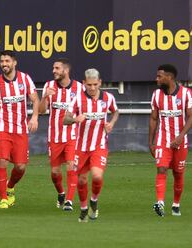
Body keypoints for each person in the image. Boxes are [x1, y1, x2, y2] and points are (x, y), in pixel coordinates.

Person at [64, 68, 119, 222]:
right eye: (89, 85)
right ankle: (83, 208)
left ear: (100, 82)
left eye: (95, 84)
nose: (93, 88)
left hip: (99, 145)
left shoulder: (108, 98)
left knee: (96, 176)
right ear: (84, 83)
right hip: (80, 148)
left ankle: (94, 200)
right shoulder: (77, 99)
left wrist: (111, 123)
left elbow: (115, 112)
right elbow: (65, 120)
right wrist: (75, 119)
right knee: (81, 180)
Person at [0, 50, 39, 209]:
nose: (4, 64)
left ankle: (10, 186)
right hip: (2, 129)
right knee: (2, 161)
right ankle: (3, 198)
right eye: (2, 61)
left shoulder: (25, 79)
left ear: (14, 62)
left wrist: (35, 117)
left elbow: (35, 99)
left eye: (7, 61)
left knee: (20, 166)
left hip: (21, 130)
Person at [149, 64, 192, 217]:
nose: (157, 79)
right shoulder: (156, 95)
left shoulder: (186, 93)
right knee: (161, 168)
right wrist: (151, 142)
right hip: (163, 139)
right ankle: (160, 203)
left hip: (181, 141)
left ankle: (176, 204)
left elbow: (191, 116)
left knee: (178, 173)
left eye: (159, 76)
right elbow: (154, 118)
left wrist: (181, 136)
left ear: (169, 77)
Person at [39, 58, 83, 211]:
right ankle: (61, 193)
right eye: (53, 68)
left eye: (57, 68)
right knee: (55, 172)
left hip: (72, 137)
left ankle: (69, 201)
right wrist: (45, 97)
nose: (54, 71)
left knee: (72, 166)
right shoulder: (49, 86)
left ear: (66, 70)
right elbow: (41, 111)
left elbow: (84, 111)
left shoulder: (79, 88)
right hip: (55, 137)